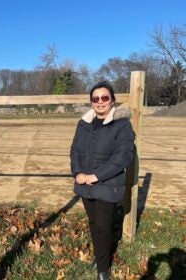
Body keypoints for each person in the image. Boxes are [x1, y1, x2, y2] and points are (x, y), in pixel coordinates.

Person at [70, 81, 134, 280]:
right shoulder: (83, 124)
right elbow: (74, 151)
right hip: (84, 185)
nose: (100, 102)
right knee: (93, 223)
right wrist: (77, 172)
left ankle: (103, 270)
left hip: (107, 185)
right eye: (95, 98)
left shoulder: (122, 124)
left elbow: (123, 155)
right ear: (91, 102)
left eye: (104, 98)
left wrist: (96, 176)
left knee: (102, 226)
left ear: (112, 100)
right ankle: (100, 255)